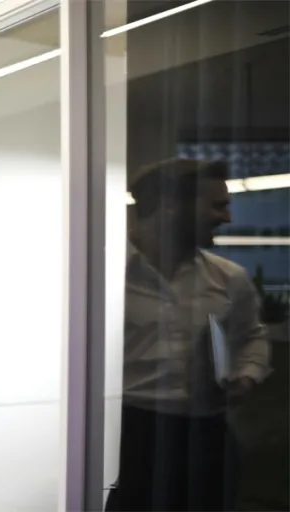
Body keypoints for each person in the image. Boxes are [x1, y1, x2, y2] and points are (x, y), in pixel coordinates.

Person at [105, 158, 271, 512]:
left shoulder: (229, 278)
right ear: (169, 207)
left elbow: (252, 337)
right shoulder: (101, 274)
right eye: (217, 205)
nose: (227, 218)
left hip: (206, 434)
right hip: (128, 434)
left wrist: (246, 377)